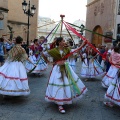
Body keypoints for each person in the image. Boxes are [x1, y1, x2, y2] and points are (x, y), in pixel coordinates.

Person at [42, 37, 87, 113]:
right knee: (59, 84)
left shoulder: (67, 49)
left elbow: (76, 50)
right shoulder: (54, 50)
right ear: (59, 42)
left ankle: (65, 98)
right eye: (63, 41)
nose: (64, 42)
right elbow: (43, 54)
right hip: (57, 69)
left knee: (67, 83)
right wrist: (49, 62)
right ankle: (59, 103)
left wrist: (83, 44)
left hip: (66, 68)